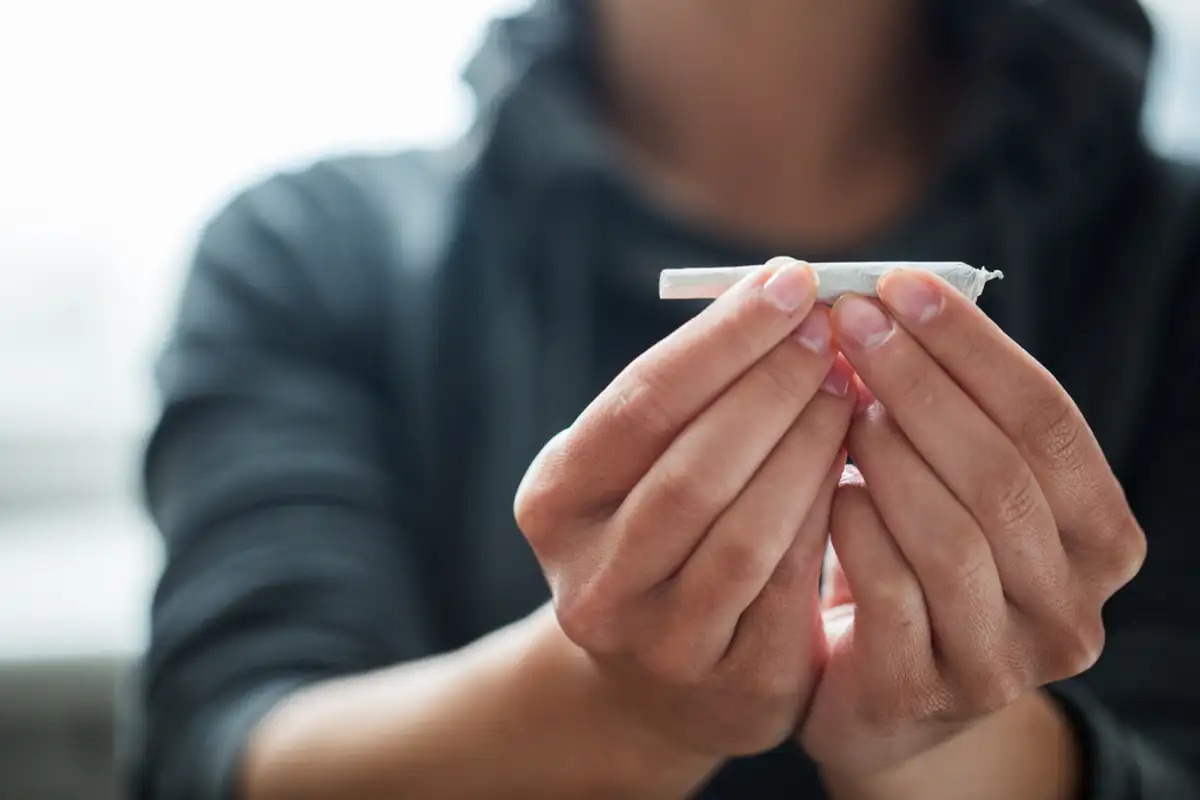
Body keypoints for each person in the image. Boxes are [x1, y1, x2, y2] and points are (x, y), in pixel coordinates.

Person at [126, 0, 1200, 797]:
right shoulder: (315, 254)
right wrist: (619, 709)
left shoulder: (1171, 264)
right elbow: (221, 751)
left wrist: (949, 734)